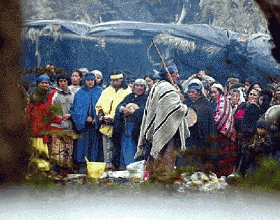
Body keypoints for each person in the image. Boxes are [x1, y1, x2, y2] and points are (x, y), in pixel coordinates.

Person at [135, 64, 190, 177]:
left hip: (157, 127)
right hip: (167, 130)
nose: (178, 76)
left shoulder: (157, 86)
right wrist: (184, 106)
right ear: (168, 75)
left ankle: (152, 178)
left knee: (155, 155)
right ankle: (163, 182)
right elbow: (177, 109)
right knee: (166, 156)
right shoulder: (168, 88)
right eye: (175, 74)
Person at [177, 78, 217, 172]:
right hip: (192, 138)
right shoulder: (190, 103)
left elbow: (201, 122)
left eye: (193, 92)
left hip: (200, 139)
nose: (190, 94)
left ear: (199, 92)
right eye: (189, 92)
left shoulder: (204, 104)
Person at [25, 74, 63, 174]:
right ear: (38, 84)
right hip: (36, 130)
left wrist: (60, 120)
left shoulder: (51, 96)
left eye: (46, 83)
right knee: (38, 150)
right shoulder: (33, 97)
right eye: (42, 83)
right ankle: (38, 170)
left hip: (46, 130)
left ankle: (43, 170)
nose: (45, 85)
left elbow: (49, 114)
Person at [95, 71, 130, 170]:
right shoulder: (106, 91)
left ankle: (118, 166)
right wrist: (101, 115)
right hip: (106, 123)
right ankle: (108, 167)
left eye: (116, 80)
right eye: (113, 80)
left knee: (117, 147)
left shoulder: (127, 91)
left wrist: (115, 118)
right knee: (107, 148)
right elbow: (99, 105)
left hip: (120, 124)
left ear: (121, 79)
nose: (114, 82)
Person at [69, 73, 103, 174]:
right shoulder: (80, 93)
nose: (90, 82)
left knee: (94, 147)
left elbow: (102, 107)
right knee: (82, 146)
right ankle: (82, 166)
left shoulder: (100, 92)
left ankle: (93, 167)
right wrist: (84, 118)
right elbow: (75, 109)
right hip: (83, 127)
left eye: (92, 80)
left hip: (95, 127)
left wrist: (96, 119)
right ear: (84, 81)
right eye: (88, 80)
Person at [113, 79, 148, 170]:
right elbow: (119, 106)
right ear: (134, 87)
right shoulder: (129, 97)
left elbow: (146, 110)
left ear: (144, 88)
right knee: (123, 147)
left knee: (134, 148)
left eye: (141, 86)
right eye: (137, 85)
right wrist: (122, 109)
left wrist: (134, 111)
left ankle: (133, 168)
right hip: (125, 127)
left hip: (137, 129)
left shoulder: (146, 99)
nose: (139, 88)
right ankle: (122, 167)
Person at [209, 83, 236, 177]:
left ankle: (225, 176)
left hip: (223, 133)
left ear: (220, 93)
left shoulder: (224, 102)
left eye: (214, 92)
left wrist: (212, 126)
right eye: (211, 92)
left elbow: (222, 116)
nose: (212, 94)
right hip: (215, 133)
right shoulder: (212, 103)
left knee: (224, 157)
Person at [50, 74, 75, 175]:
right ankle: (57, 171)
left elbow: (76, 109)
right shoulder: (54, 94)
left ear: (68, 82)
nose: (63, 83)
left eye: (64, 81)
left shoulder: (73, 94)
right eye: (60, 81)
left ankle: (66, 171)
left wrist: (71, 115)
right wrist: (59, 119)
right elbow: (50, 110)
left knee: (68, 150)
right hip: (58, 126)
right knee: (57, 150)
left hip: (69, 127)